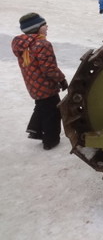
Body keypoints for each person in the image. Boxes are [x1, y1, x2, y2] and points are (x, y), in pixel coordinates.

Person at [11, 13, 67, 150]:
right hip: (45, 85)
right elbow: (49, 68)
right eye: (44, 25)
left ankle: (35, 130)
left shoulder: (23, 44)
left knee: (41, 106)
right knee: (53, 112)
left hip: (33, 84)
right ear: (37, 28)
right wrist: (61, 79)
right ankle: (50, 140)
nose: (47, 27)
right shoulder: (42, 44)